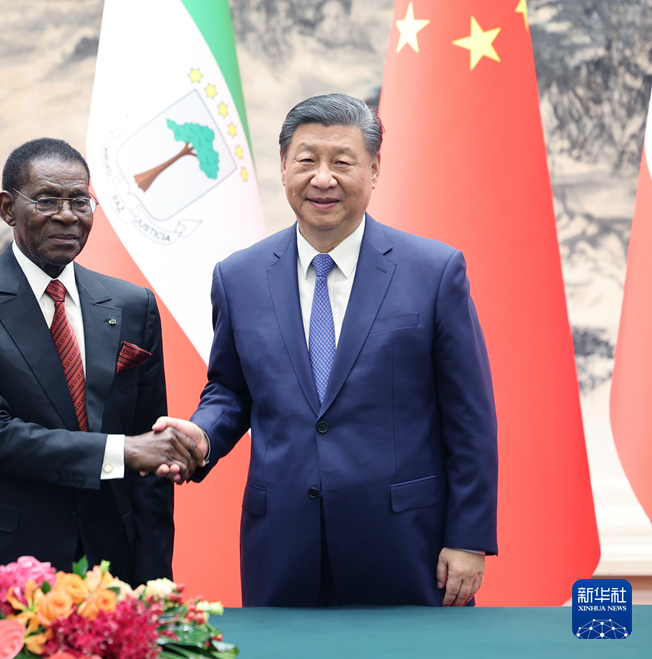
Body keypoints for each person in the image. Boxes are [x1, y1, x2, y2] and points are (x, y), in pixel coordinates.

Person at [153, 94, 498, 607]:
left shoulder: (434, 271)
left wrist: (468, 538)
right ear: (283, 165)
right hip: (283, 546)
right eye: (307, 160)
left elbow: (470, 416)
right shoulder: (238, 276)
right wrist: (202, 435)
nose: (322, 178)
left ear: (374, 169)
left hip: (408, 544)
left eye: (342, 162)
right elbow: (231, 389)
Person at [0, 138, 204, 585]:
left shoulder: (133, 305)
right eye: (47, 200)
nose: (68, 215)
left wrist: (155, 583)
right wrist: (122, 450)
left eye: (80, 201)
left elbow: (152, 457)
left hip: (109, 565)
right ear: (7, 208)